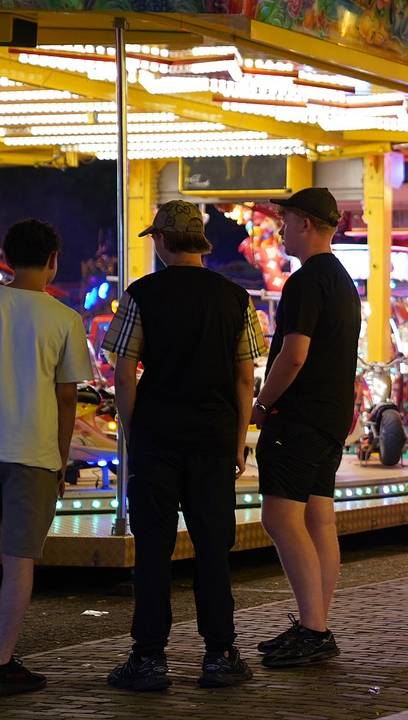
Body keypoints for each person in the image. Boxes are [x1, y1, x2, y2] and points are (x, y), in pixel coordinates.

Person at [100, 201, 264, 691]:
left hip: (158, 438)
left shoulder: (140, 295)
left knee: (154, 549)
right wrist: (238, 443)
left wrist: (132, 429)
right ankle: (220, 655)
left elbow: (124, 372)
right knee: (214, 548)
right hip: (214, 440)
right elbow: (244, 377)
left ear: (166, 241)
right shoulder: (236, 299)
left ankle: (149, 659)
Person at [250, 188, 360, 668]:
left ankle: (314, 628)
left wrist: (261, 402)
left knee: (279, 518)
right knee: (320, 520)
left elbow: (294, 354)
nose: (282, 229)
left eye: (288, 220)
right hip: (333, 416)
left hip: (298, 416)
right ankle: (316, 624)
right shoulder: (342, 280)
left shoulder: (304, 282)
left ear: (308, 225)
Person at [0, 219, 93, 696]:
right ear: (54, 259)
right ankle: (3, 661)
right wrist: (60, 460)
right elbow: (66, 399)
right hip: (33, 455)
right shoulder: (64, 320)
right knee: (18, 560)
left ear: (6, 256)